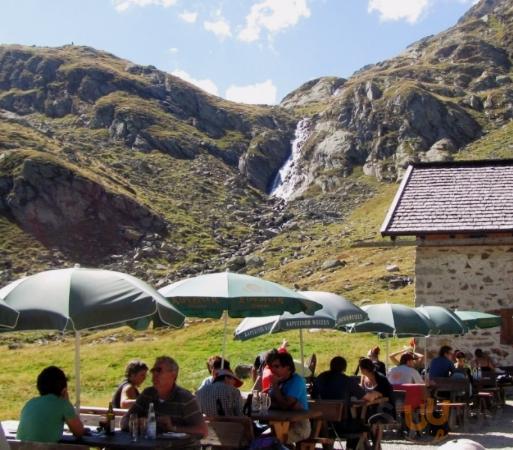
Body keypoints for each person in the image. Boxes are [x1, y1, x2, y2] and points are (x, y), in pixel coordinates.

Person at [122, 356, 207, 440]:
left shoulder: (185, 399)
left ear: (173, 375)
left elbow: (202, 431)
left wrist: (173, 428)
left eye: (159, 370)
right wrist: (138, 422)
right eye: (153, 371)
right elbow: (124, 421)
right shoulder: (147, 394)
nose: (154, 374)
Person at [312, 356, 378, 450]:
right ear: (345, 368)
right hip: (342, 425)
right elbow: (367, 398)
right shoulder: (347, 380)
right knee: (361, 424)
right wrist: (375, 394)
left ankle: (329, 447)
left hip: (319, 424)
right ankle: (350, 448)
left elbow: (313, 395)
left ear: (331, 366)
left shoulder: (320, 377)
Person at [17, 366, 85, 443]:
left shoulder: (29, 403)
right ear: (64, 390)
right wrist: (67, 402)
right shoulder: (63, 404)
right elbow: (79, 432)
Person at [269, 352, 311, 444]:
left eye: (277, 366)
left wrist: (275, 386)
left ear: (287, 367)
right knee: (254, 438)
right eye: (272, 367)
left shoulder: (297, 381)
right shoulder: (280, 381)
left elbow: (285, 405)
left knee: (269, 442)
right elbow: (269, 402)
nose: (273, 369)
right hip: (279, 424)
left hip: (298, 426)